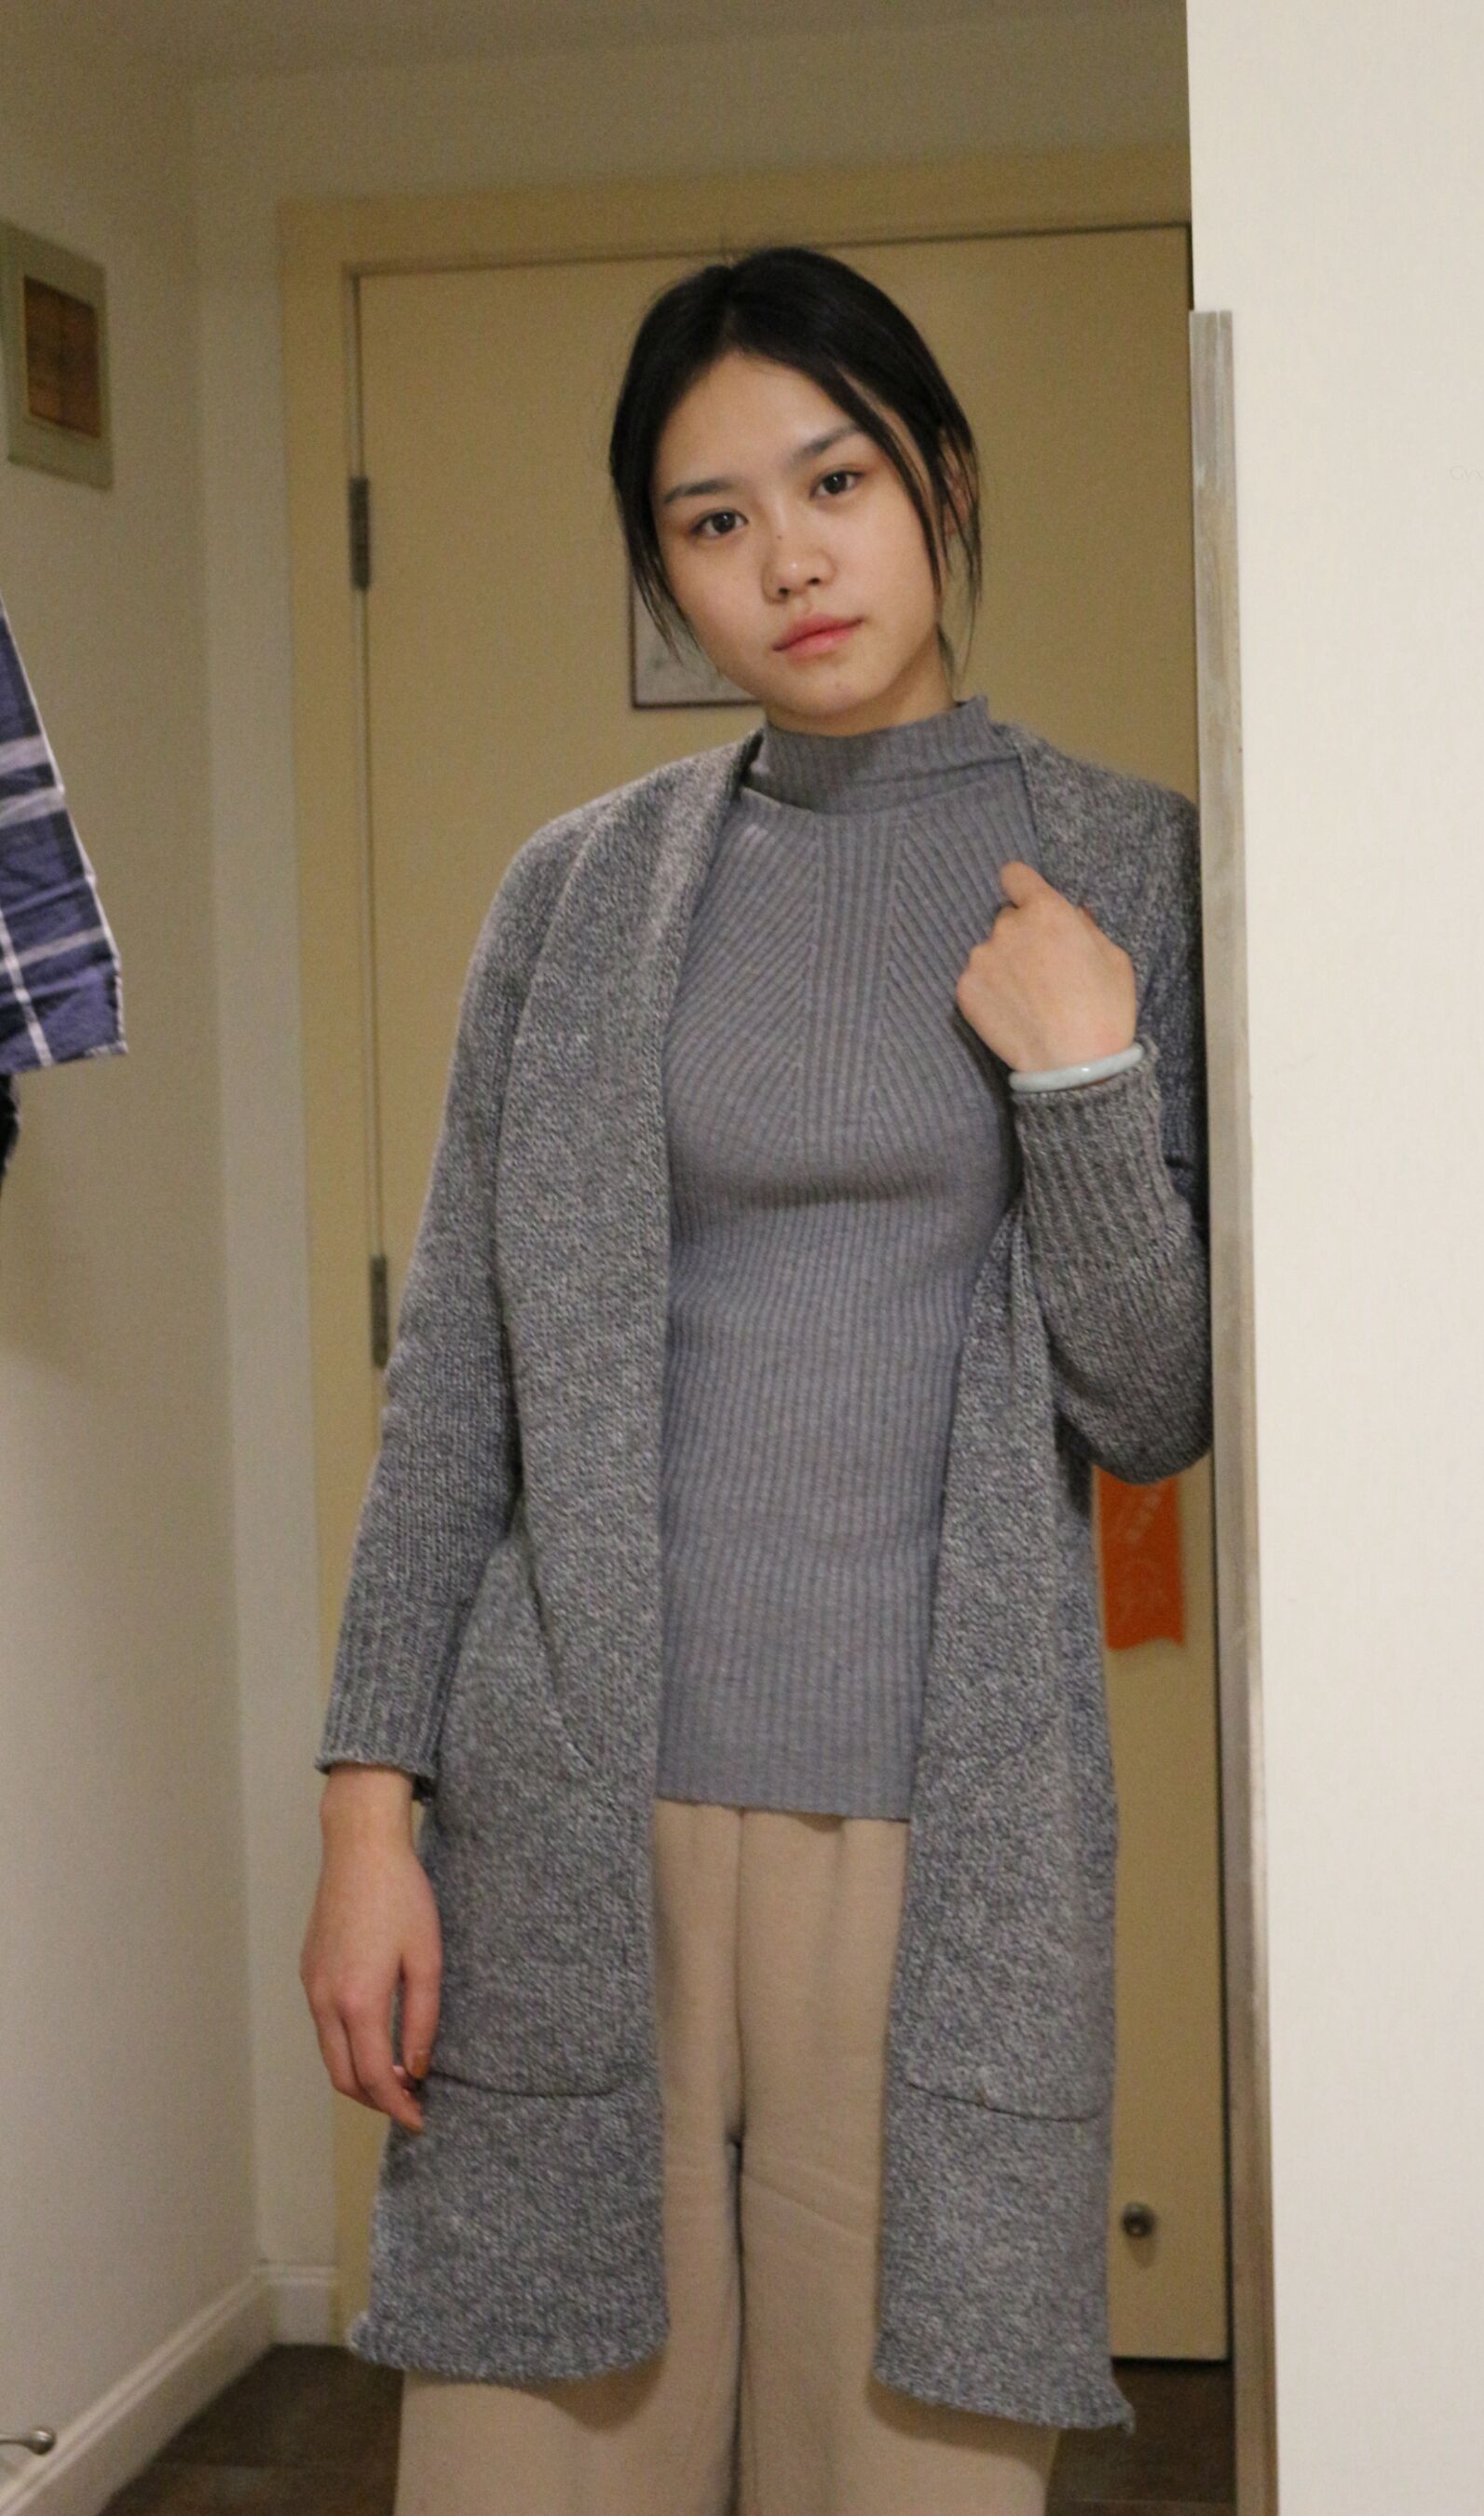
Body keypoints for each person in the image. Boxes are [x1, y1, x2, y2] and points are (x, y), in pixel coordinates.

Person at [300, 242, 1211, 2516]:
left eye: (836, 481)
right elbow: (455, 1400)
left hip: (936, 1839)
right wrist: (367, 1827)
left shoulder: (1132, 871)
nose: (789, 559)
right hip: (568, 1818)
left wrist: (1087, 1083)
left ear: (943, 484)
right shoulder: (577, 899)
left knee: (900, 2471)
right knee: (526, 2460)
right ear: (666, 571)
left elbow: (1154, 1407)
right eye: (714, 520)